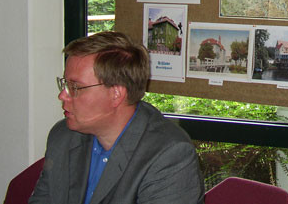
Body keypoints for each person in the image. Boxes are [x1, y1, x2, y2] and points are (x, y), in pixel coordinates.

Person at [29, 32, 205, 204]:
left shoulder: (169, 156)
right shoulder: (63, 136)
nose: (62, 95)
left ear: (116, 94)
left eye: (75, 87)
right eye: (65, 84)